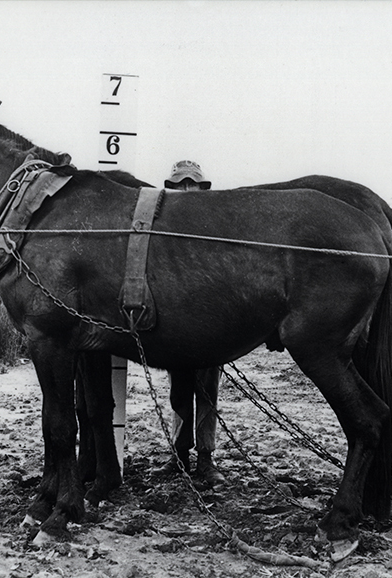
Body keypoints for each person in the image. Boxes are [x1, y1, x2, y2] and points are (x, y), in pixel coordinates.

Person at [154, 160, 225, 485]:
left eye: (190, 184)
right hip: (177, 328)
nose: (185, 190)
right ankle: (179, 455)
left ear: (200, 189)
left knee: (207, 393)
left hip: (210, 328)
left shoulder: (214, 227)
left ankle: (206, 460)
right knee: (179, 394)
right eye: (179, 184)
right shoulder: (164, 229)